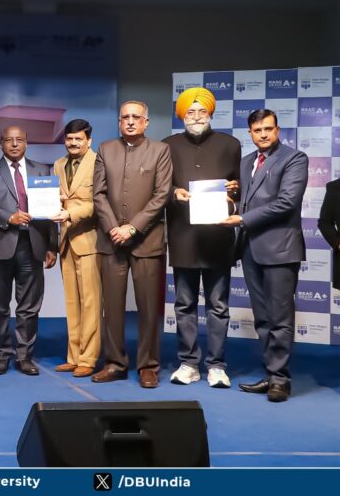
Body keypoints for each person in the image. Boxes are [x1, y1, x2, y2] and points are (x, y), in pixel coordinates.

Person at [222, 109, 307, 403]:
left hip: (280, 249)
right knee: (263, 319)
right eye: (257, 130)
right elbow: (247, 202)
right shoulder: (246, 162)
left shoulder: (294, 158)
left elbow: (286, 203)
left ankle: (281, 381)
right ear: (250, 133)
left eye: (268, 129)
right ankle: (271, 374)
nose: (263, 134)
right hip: (250, 249)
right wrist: (230, 198)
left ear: (277, 130)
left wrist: (242, 219)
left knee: (280, 318)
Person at [163, 88, 241, 388]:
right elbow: (160, 186)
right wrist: (174, 192)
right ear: (182, 115)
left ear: (210, 114)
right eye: (190, 112)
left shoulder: (230, 144)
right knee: (184, 304)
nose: (196, 117)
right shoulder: (168, 145)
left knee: (218, 306)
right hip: (183, 236)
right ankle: (188, 363)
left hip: (218, 238)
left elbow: (240, 188)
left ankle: (217, 365)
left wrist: (233, 194)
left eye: (202, 111)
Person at [92, 101, 173, 388]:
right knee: (112, 307)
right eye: (125, 117)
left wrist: (132, 227)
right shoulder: (105, 149)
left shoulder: (160, 151)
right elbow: (98, 194)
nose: (130, 121)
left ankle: (148, 365)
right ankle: (114, 363)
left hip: (147, 241)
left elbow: (162, 194)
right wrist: (114, 227)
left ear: (146, 122)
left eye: (136, 117)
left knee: (148, 308)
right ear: (119, 122)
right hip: (111, 240)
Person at [0, 126, 57, 376]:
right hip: (0, 244)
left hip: (33, 245)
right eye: (8, 140)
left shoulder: (42, 170)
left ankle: (24, 357)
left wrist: (52, 245)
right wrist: (8, 217)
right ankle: (0, 356)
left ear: (26, 143)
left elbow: (51, 211)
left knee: (29, 306)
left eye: (19, 140)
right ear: (1, 143)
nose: (14, 144)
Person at [51, 119, 101, 378]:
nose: (73, 143)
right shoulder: (58, 165)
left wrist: (70, 213)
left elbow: (99, 202)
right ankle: (73, 356)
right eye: (69, 139)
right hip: (65, 241)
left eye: (78, 139)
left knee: (90, 303)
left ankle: (88, 358)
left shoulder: (99, 162)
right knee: (71, 302)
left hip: (90, 240)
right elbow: (54, 200)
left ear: (88, 141)